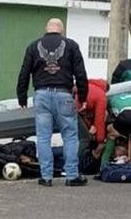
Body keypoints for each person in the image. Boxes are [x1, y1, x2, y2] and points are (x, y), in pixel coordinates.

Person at [17, 18, 89, 187]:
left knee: (43, 137)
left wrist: (21, 96)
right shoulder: (71, 45)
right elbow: (80, 73)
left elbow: (24, 72)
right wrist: (83, 97)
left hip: (41, 95)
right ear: (61, 30)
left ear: (46, 29)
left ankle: (46, 177)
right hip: (64, 94)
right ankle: (71, 176)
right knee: (70, 136)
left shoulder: (33, 46)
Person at [77, 78, 109, 146]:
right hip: (80, 108)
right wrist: (100, 140)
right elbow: (99, 119)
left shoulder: (87, 85)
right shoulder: (101, 95)